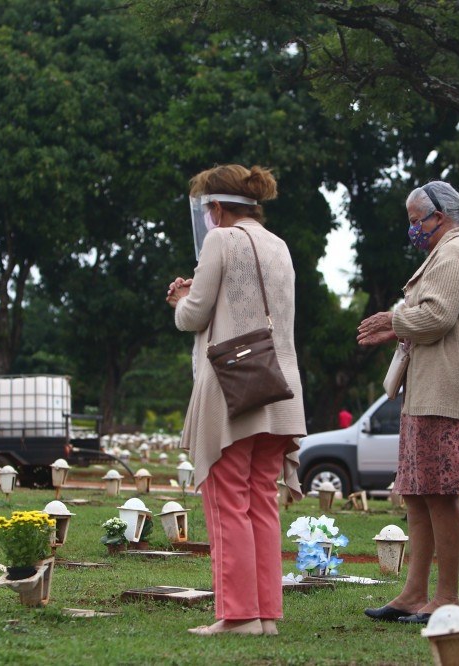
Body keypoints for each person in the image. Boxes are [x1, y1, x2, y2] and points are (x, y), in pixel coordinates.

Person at [167, 164, 306, 637]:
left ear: (218, 207)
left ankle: (239, 615)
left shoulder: (219, 240)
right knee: (261, 500)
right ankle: (265, 614)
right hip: (281, 384)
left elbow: (195, 315)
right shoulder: (278, 244)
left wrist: (180, 299)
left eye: (208, 208)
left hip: (234, 383)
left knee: (227, 500)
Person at [357, 180, 459, 625]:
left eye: (417, 221)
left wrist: (392, 319)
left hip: (448, 396)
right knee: (417, 496)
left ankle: (447, 597)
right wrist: (397, 327)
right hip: (429, 392)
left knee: (440, 495)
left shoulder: (457, 252)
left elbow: (436, 318)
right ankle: (414, 594)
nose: (413, 230)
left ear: (441, 216)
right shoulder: (446, 252)